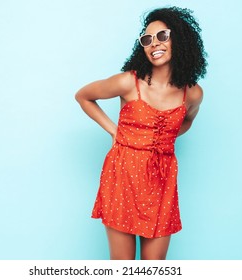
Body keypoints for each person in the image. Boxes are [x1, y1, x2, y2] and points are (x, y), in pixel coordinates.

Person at [75, 6, 207, 260]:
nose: (154, 44)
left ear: (179, 38)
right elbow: (84, 96)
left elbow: (186, 121)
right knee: (123, 266)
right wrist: (115, 131)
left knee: (154, 267)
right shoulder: (128, 82)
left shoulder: (192, 93)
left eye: (162, 36)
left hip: (162, 180)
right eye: (147, 40)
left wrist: (161, 139)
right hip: (123, 175)